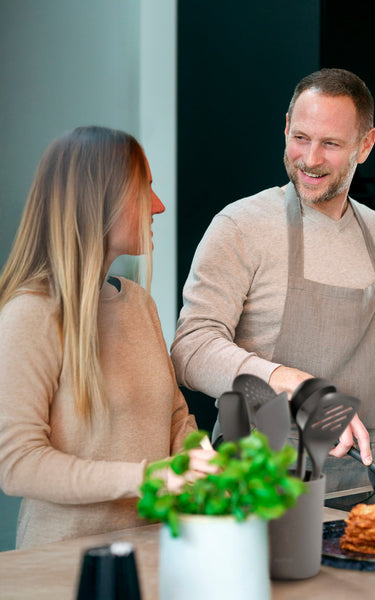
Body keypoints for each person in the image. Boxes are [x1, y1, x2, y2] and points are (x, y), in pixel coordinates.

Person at [171, 69, 375, 492]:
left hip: (361, 476)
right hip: (257, 472)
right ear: (286, 129)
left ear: (365, 145)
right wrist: (297, 384)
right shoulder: (241, 226)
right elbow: (192, 349)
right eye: (300, 137)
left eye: (330, 144)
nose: (310, 159)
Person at [0, 126, 217, 549]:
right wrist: (150, 477)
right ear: (99, 200)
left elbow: (174, 418)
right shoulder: (30, 314)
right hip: (63, 566)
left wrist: (198, 458)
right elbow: (17, 464)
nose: (159, 206)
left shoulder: (138, 303)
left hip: (155, 549)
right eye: (145, 189)